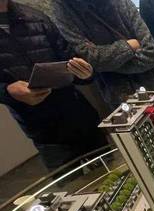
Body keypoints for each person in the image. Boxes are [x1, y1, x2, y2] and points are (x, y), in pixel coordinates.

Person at [0, 0, 107, 169]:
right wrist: (7, 91)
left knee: (114, 176)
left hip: (79, 115)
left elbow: (69, 59)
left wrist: (85, 73)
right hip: (43, 131)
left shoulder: (35, 17)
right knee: (71, 184)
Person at [51, 0, 154, 108]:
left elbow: (152, 54)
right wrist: (128, 46)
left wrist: (107, 66)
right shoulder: (61, 9)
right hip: (120, 100)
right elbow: (91, 58)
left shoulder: (119, 3)